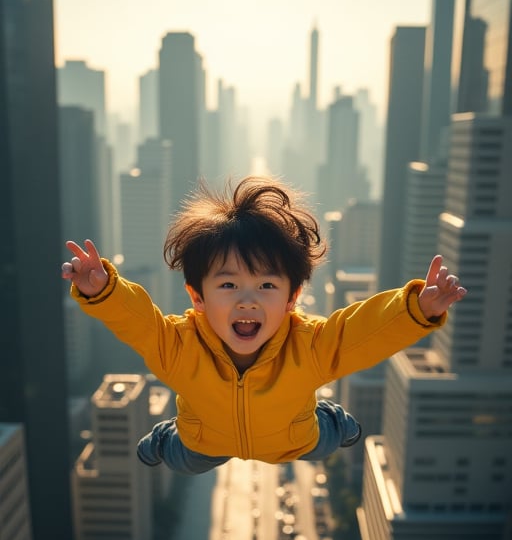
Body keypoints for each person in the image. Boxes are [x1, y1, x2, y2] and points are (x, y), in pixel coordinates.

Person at [62, 176, 466, 475]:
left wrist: (417, 308)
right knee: (180, 458)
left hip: (295, 440)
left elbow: (363, 332)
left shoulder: (310, 347)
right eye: (228, 284)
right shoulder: (177, 347)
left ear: (292, 298)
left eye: (267, 284)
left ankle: (335, 421)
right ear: (197, 297)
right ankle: (164, 438)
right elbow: (138, 322)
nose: (247, 300)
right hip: (204, 441)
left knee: (326, 440)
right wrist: (104, 291)